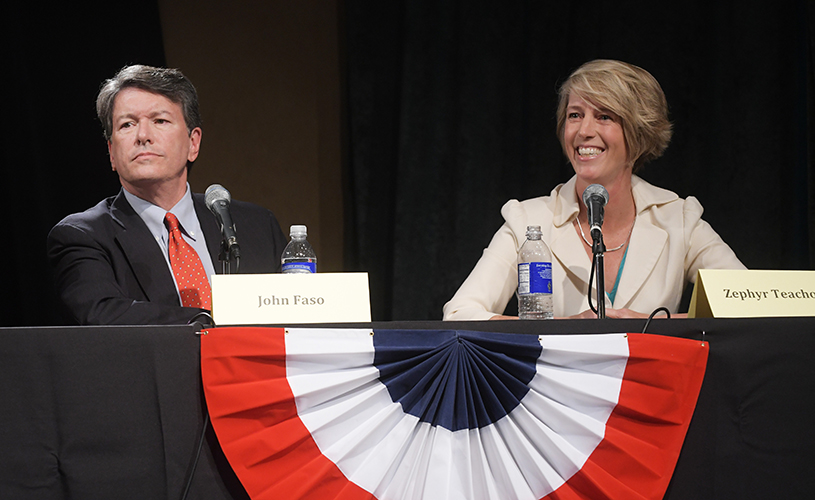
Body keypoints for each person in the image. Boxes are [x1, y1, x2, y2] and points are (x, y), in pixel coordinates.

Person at [443, 59, 745, 320]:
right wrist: (567, 329)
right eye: (575, 115)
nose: (584, 131)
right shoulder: (527, 220)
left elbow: (750, 306)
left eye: (604, 116)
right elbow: (461, 313)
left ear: (638, 133)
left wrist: (646, 324)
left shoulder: (679, 219)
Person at [48, 64, 287, 325]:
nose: (143, 136)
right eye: (127, 124)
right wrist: (212, 322)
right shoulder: (84, 236)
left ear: (193, 143)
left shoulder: (257, 225)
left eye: (160, 121)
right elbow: (103, 315)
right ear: (112, 153)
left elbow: (299, 314)